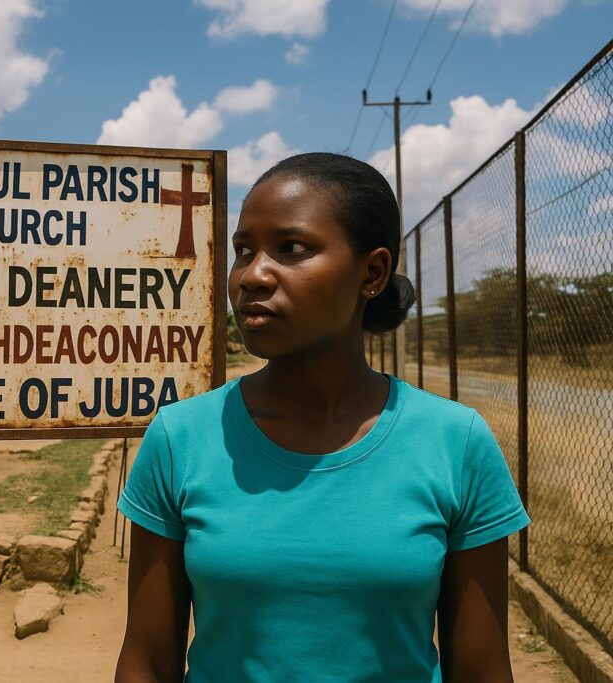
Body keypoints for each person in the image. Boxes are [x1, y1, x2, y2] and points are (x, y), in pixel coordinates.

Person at [113, 152, 531, 682]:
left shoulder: (456, 444)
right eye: (244, 251)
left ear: (372, 272)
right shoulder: (181, 438)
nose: (252, 275)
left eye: (292, 248)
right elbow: (147, 663)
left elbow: (482, 671)